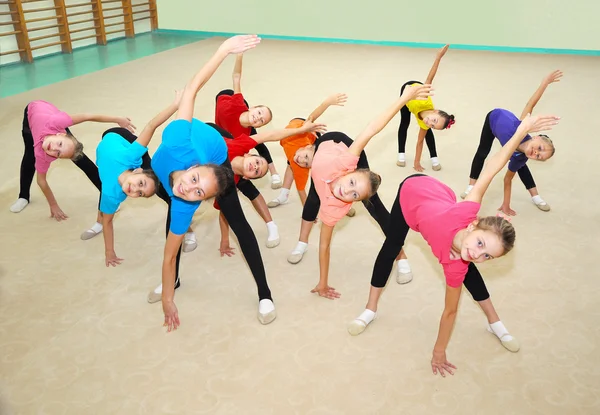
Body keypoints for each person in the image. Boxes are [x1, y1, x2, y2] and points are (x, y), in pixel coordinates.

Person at [348, 113, 560, 377]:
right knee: (391, 245)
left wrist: (439, 350)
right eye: (481, 243)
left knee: (467, 270)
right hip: (413, 191)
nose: (478, 253)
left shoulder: (459, 262)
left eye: (487, 256)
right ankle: (370, 308)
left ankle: (495, 322)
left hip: (439, 206)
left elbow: (450, 311)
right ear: (474, 225)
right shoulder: (466, 210)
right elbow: (493, 166)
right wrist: (522, 131)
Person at [148, 34, 277, 332]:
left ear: (200, 200)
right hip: (204, 138)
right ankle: (175, 280)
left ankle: (265, 293)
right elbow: (193, 88)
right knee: (173, 227)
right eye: (193, 182)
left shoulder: (186, 200)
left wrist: (202, 186)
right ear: (193, 168)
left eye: (197, 194)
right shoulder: (180, 143)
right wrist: (223, 50)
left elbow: (195, 188)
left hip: (218, 158)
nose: (187, 190)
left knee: (239, 224)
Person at [288, 83, 434, 300]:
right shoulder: (320, 163)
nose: (346, 191)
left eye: (353, 194)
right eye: (352, 186)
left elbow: (372, 129)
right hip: (331, 161)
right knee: (312, 200)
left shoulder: (346, 167)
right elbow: (325, 244)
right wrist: (323, 282)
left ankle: (400, 256)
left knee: (375, 207)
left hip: (347, 150)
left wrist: (404, 99)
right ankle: (301, 242)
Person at [80, 91, 200, 266]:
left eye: (140, 194)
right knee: (110, 194)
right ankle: (98, 219)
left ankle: (187, 229)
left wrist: (109, 250)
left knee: (161, 189)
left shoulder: (114, 192)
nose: (135, 191)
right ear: (137, 171)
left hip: (118, 156)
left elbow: (110, 218)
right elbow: (151, 126)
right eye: (140, 185)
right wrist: (176, 105)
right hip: (121, 136)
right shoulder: (131, 158)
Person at [206, 120, 326, 256]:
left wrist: (224, 240)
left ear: (246, 178)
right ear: (248, 154)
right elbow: (269, 135)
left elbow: (226, 211)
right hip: (209, 132)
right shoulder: (239, 146)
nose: (256, 167)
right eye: (257, 162)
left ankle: (271, 225)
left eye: (257, 171)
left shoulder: (227, 182)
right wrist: (300, 130)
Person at [10, 100, 134, 220]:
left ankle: (108, 196)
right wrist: (117, 119)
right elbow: (87, 116)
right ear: (60, 134)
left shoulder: (56, 142)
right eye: (58, 147)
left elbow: (43, 177)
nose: (53, 148)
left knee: (78, 156)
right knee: (29, 156)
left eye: (58, 153)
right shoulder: (50, 136)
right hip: (32, 111)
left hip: (53, 123)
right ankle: (23, 196)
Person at [460, 70, 562, 215]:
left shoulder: (522, 156)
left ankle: (535, 195)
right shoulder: (522, 127)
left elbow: (507, 179)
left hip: (516, 152)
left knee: (520, 164)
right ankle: (471, 186)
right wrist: (544, 83)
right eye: (539, 148)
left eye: (539, 156)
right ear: (536, 137)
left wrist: (505, 205)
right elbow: (531, 103)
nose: (536, 152)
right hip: (493, 119)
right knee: (482, 152)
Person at [267, 93, 347, 209]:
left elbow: (301, 191)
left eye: (306, 163)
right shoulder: (302, 132)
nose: (301, 161)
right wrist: (327, 102)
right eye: (305, 158)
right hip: (302, 127)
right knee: (292, 163)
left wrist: (308, 214)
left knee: (293, 165)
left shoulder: (301, 166)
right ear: (307, 148)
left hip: (304, 146)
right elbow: (312, 117)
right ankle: (284, 195)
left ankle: (340, 202)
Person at [214, 53, 282, 189]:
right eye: (259, 113)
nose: (258, 118)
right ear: (254, 107)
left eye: (261, 121)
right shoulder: (238, 104)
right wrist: (239, 55)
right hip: (226, 98)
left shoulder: (246, 131)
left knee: (258, 143)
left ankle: (274, 173)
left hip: (235, 121)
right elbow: (236, 76)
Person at [396, 44, 455, 172]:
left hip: (410, 104)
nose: (430, 123)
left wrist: (416, 162)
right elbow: (430, 77)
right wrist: (438, 57)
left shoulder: (425, 124)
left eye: (433, 126)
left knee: (426, 134)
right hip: (408, 89)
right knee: (404, 122)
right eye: (434, 120)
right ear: (435, 111)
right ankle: (401, 153)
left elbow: (420, 141)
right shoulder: (425, 96)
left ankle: (434, 157)